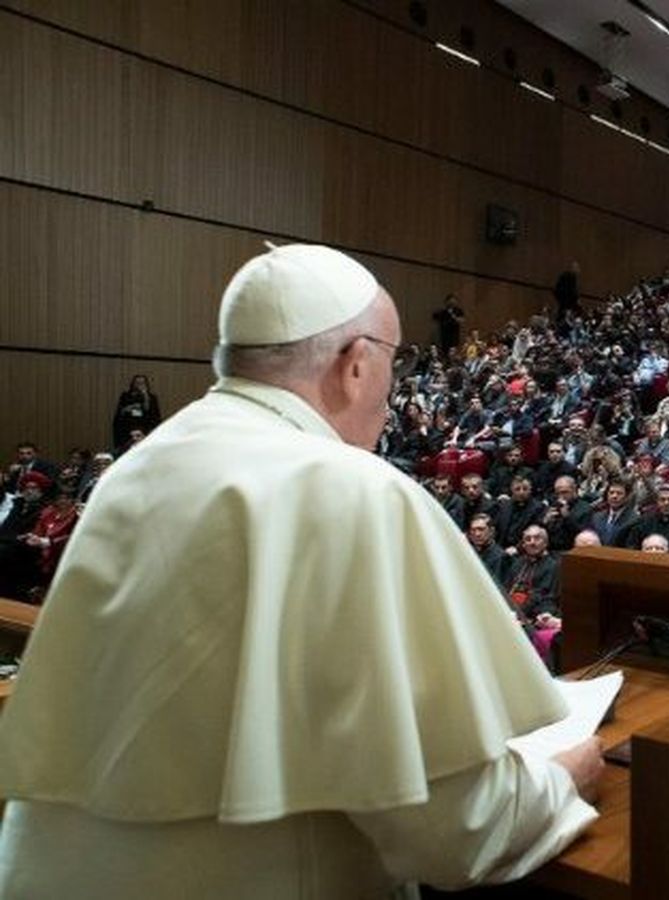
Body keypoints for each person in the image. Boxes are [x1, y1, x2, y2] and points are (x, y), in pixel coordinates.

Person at [0, 244, 603, 897]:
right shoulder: (353, 490)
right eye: (392, 368)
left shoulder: (133, 472)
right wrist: (562, 778)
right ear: (354, 365)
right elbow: (455, 832)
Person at [112, 374, 163, 450]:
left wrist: (145, 395)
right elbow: (120, 412)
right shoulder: (126, 395)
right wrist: (129, 408)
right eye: (137, 382)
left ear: (146, 384)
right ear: (133, 384)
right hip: (128, 429)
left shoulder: (151, 397)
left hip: (144, 429)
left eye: (142, 383)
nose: (139, 385)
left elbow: (153, 414)